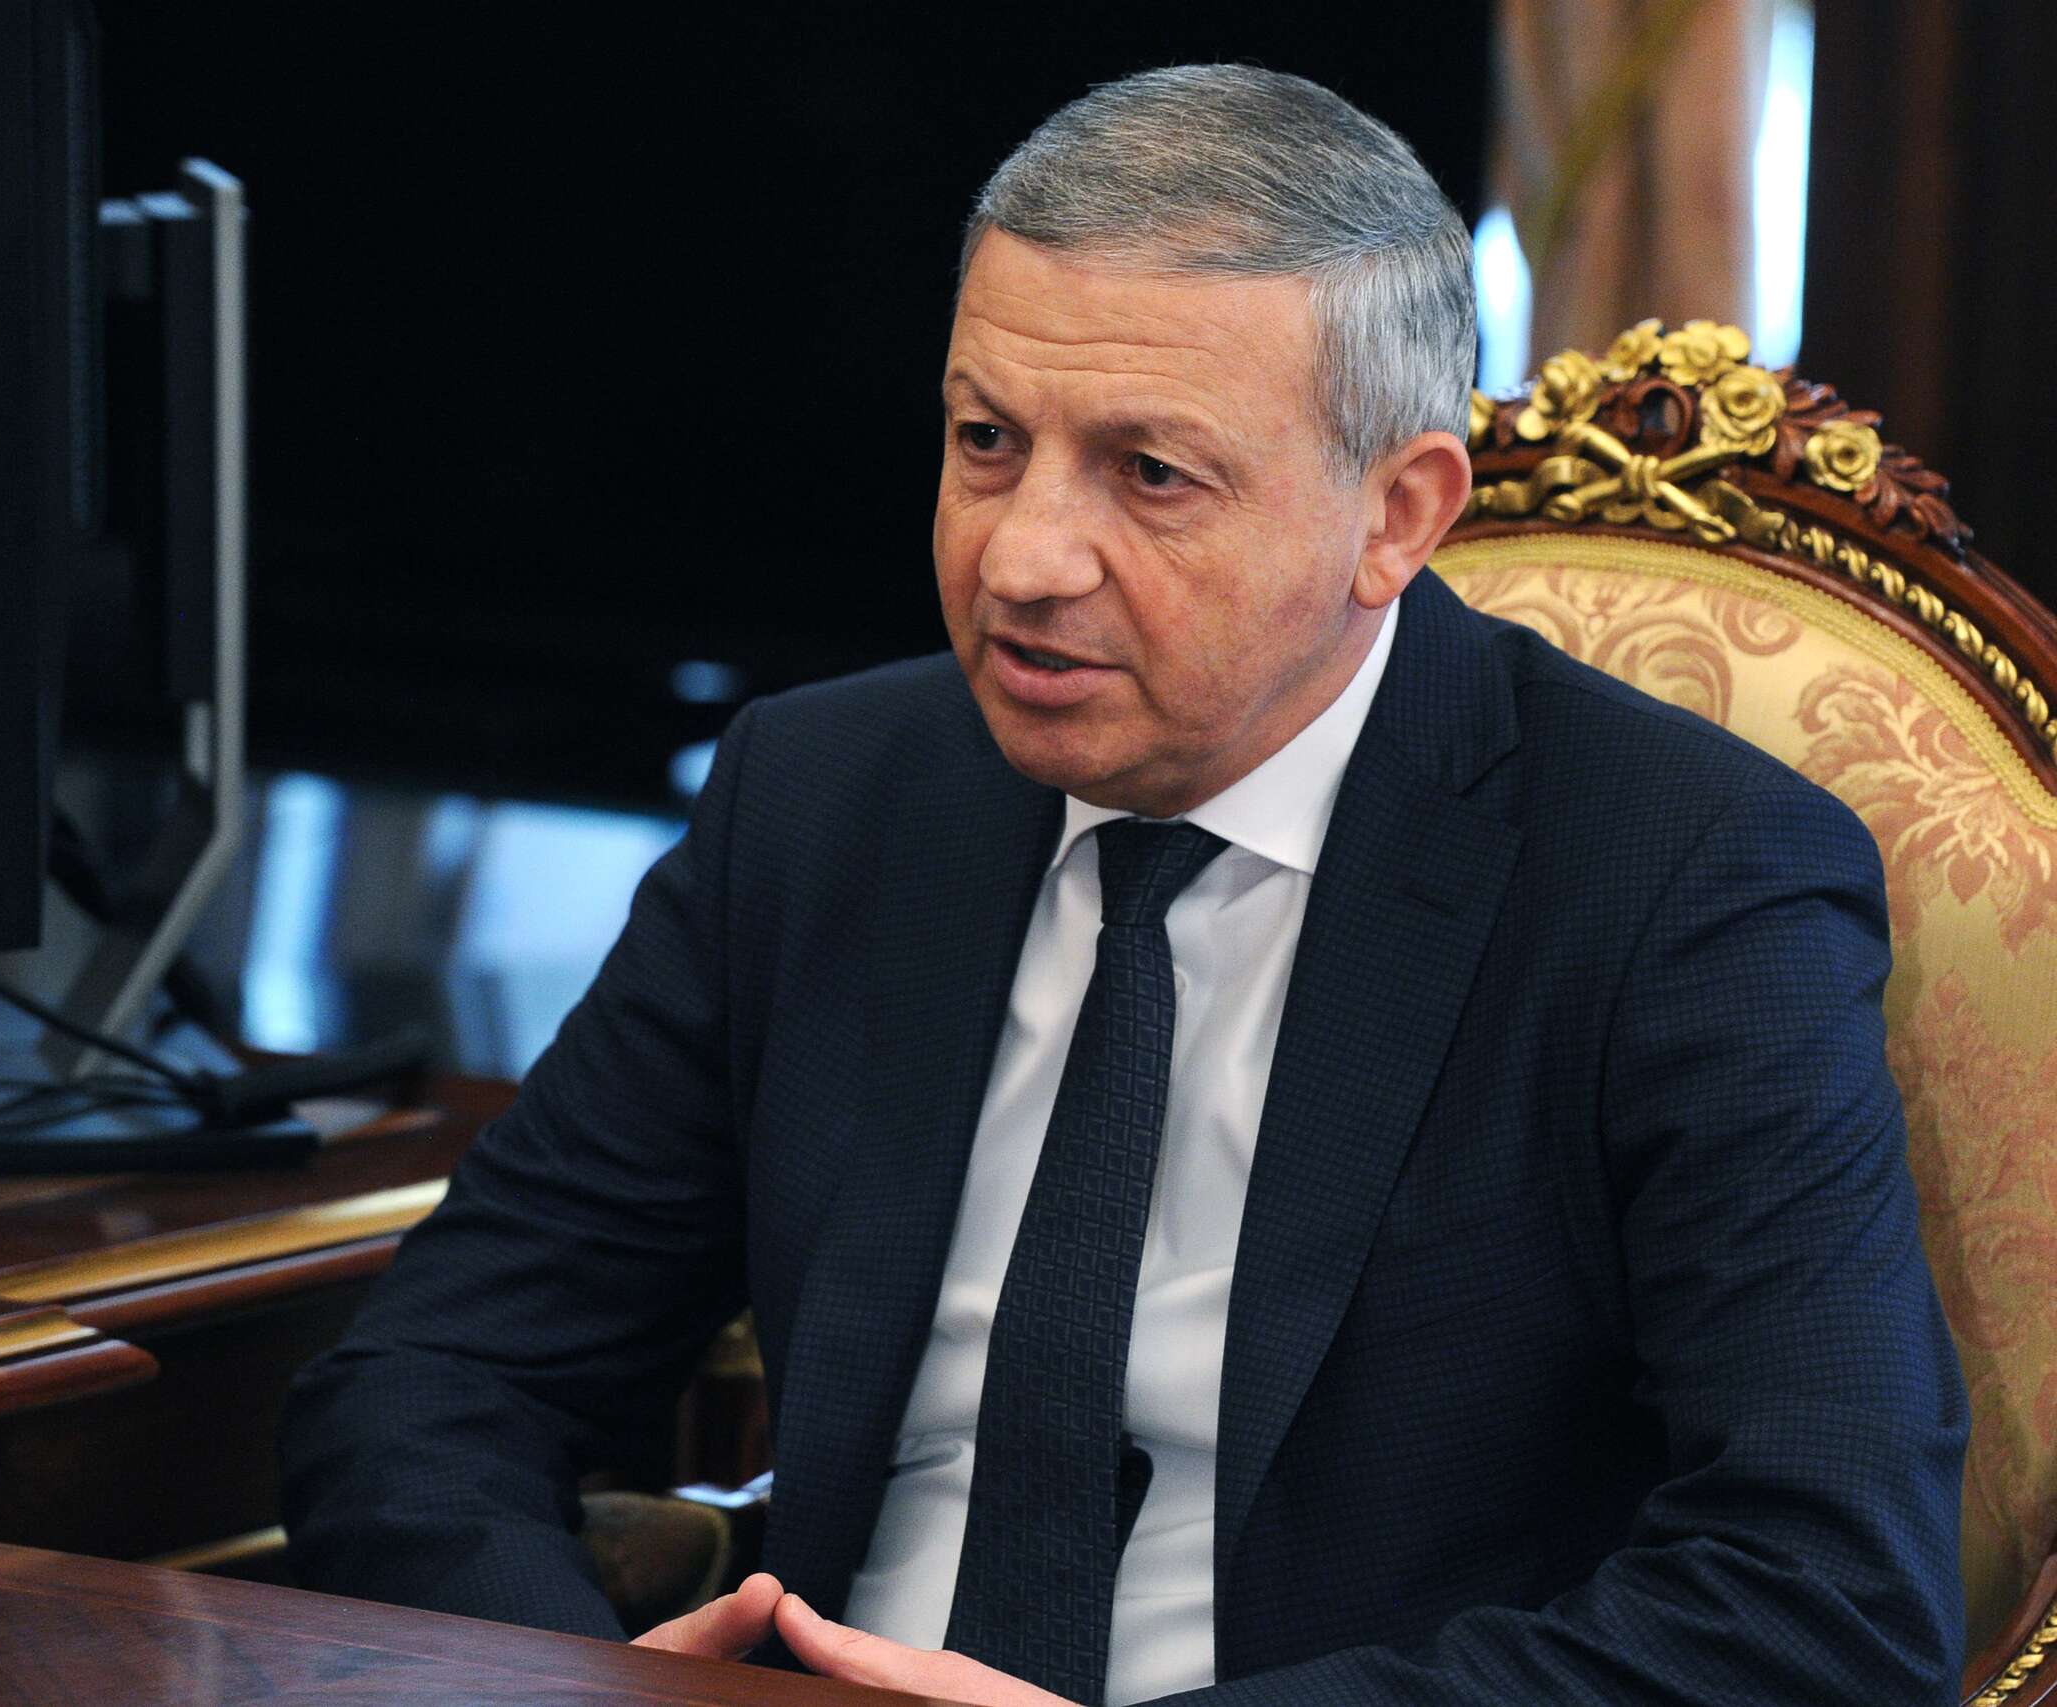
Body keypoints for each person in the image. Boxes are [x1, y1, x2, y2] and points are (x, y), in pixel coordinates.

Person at [281, 65, 1969, 1706]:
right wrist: (576, 1682)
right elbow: (429, 1383)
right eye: (986, 440)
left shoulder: (1677, 878)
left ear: (1397, 515)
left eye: (1151, 474)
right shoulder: (825, 798)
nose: (1020, 557)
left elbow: (1820, 1600)